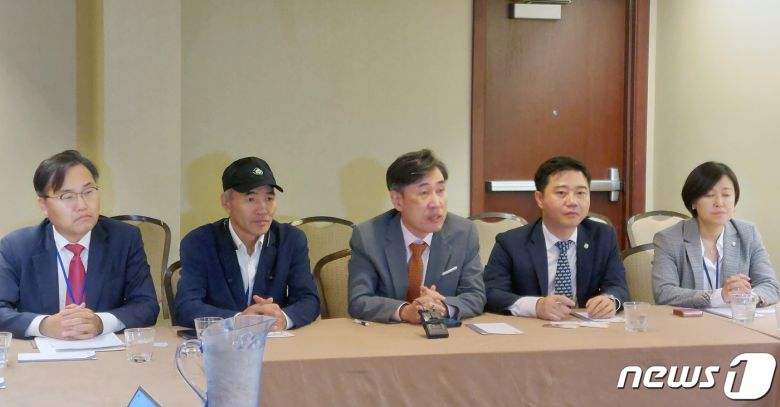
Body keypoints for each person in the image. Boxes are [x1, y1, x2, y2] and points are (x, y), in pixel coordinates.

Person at [0, 150, 159, 339]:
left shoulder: (125, 239)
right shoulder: (17, 247)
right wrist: (44, 325)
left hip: (106, 353)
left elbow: (147, 305)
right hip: (41, 353)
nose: (82, 205)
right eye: (67, 196)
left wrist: (101, 322)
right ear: (43, 205)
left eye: (88, 192)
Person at [175, 157, 319, 330]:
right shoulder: (199, 242)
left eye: (269, 198)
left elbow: (309, 300)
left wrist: (283, 318)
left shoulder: (291, 240)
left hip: (277, 341)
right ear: (226, 203)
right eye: (251, 199)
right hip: (222, 343)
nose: (263, 209)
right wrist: (238, 320)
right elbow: (186, 307)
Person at [348, 149, 485, 323]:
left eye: (440, 190)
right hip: (386, 335)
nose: (436, 203)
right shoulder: (368, 237)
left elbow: (476, 295)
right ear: (398, 201)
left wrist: (442, 307)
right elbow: (359, 300)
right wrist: (405, 311)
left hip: (445, 335)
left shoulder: (464, 233)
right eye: (424, 193)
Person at [484, 156, 628, 321]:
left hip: (586, 328)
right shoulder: (511, 243)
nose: (572, 202)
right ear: (540, 199)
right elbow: (491, 293)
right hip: (534, 329)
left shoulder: (603, 236)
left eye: (580, 193)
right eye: (561, 193)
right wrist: (536, 306)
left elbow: (618, 286)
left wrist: (610, 300)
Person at [653, 161, 780, 308]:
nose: (719, 202)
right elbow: (664, 292)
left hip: (736, 320)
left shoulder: (748, 233)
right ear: (693, 202)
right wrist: (718, 296)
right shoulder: (669, 239)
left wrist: (746, 297)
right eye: (709, 195)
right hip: (690, 321)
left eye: (726, 194)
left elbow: (770, 286)